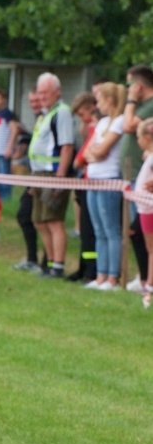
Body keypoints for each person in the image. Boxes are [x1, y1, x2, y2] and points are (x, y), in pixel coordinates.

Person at [30, 72, 75, 279]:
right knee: (39, 220)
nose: (41, 96)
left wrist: (60, 177)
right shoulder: (45, 113)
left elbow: (66, 146)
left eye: (45, 92)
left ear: (57, 92)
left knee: (53, 220)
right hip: (38, 173)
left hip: (52, 172)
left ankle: (58, 265)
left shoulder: (62, 112)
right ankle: (48, 261)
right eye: (39, 92)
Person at [83, 82, 126, 290]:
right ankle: (100, 275)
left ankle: (112, 276)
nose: (96, 105)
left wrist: (95, 153)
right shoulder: (101, 124)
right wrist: (94, 153)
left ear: (109, 100)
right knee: (98, 229)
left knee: (111, 229)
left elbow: (100, 152)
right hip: (93, 179)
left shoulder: (118, 122)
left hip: (109, 179)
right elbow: (88, 152)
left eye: (99, 100)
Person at [121, 65, 153, 292]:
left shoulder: (149, 105)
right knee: (139, 231)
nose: (128, 90)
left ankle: (146, 278)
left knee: (141, 232)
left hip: (144, 178)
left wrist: (131, 102)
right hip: (136, 178)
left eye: (130, 85)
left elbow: (128, 125)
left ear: (139, 85)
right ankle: (144, 276)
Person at [12, 89, 46, 272]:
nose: (34, 105)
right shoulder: (39, 119)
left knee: (44, 220)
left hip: (46, 177)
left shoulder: (50, 118)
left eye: (37, 101)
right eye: (31, 101)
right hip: (35, 175)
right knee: (25, 215)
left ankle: (48, 262)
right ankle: (33, 258)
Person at [68, 92, 99, 284]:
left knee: (90, 231)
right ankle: (83, 267)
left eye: (82, 114)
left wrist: (79, 161)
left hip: (93, 183)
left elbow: (81, 157)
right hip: (86, 182)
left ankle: (91, 271)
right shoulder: (89, 128)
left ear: (91, 108)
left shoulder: (97, 127)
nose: (83, 119)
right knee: (85, 231)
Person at [132, 118, 153, 308]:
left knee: (151, 248)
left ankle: (150, 284)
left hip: (149, 208)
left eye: (138, 137)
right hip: (145, 207)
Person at [0, 87, 20, 201]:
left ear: (4, 100)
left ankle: (6, 199)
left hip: (4, 151)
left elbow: (14, 129)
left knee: (4, 176)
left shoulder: (6, 113)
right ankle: (0, 199)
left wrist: (9, 147)